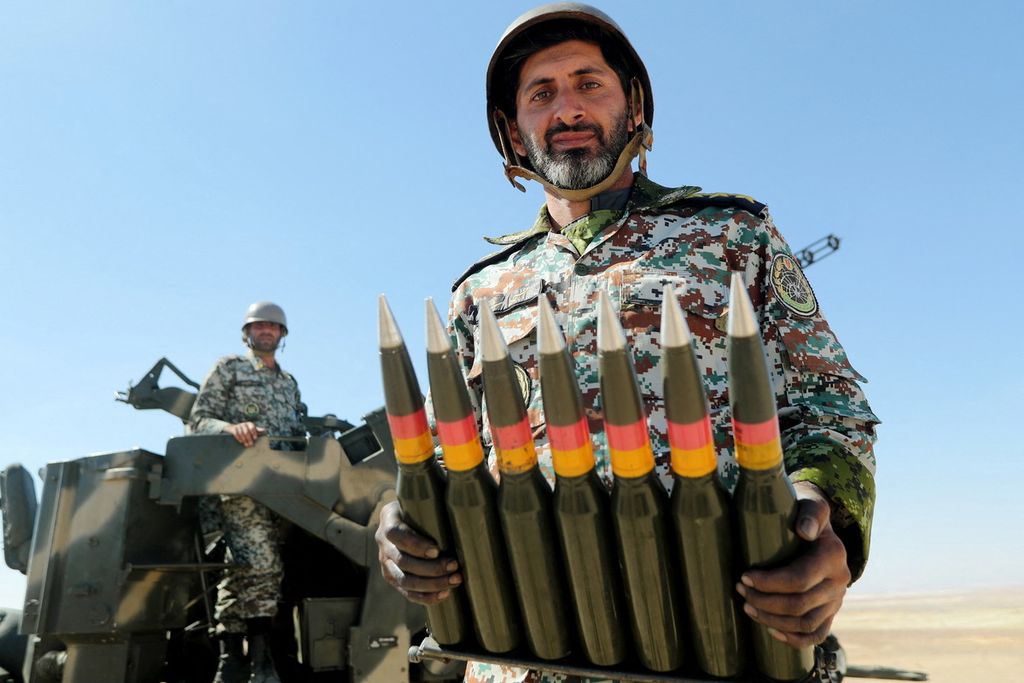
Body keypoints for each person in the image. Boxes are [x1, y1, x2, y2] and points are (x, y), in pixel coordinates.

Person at [375, 4, 878, 682]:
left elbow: (831, 408)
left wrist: (827, 526)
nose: (569, 108)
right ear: (512, 132)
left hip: (720, 642)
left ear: (633, 105)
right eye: (541, 92)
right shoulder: (479, 294)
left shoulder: (732, 235)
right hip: (524, 654)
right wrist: (395, 517)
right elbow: (438, 453)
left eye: (590, 83)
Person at [189, 301, 305, 683]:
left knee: (242, 572)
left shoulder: (289, 384)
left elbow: (297, 432)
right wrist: (231, 429)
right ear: (247, 333)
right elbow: (199, 420)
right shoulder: (230, 369)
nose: (266, 331)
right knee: (263, 566)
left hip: (284, 491)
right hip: (240, 487)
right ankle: (259, 661)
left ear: (282, 334)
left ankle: (229, 658)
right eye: (259, 326)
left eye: (273, 326)